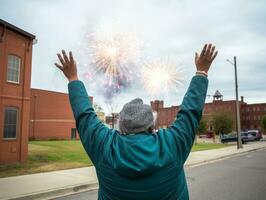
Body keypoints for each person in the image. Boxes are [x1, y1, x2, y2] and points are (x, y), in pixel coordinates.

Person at [55, 44, 218, 200]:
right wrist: (201, 72)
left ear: (122, 126)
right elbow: (190, 112)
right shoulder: (172, 144)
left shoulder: (104, 148)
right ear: (151, 126)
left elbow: (85, 116)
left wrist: (73, 78)